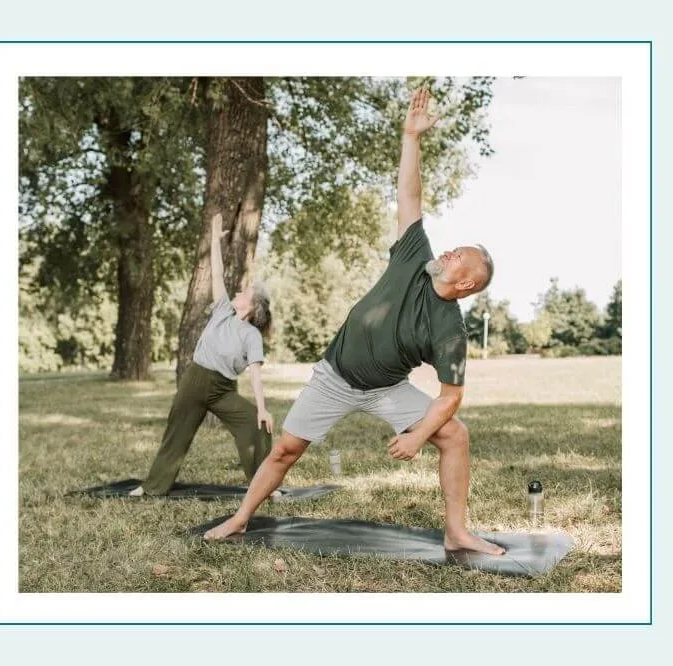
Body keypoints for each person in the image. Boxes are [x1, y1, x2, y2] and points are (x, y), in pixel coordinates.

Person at [203, 89, 504, 556]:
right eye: (453, 247)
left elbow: (451, 397)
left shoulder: (450, 329)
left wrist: (419, 434)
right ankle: (240, 519)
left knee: (455, 434)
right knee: (285, 450)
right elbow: (410, 193)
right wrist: (411, 138)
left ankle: (456, 531)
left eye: (458, 255)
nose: (448, 252)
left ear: (465, 284)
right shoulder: (414, 256)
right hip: (335, 376)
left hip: (385, 387)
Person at [130, 212, 274, 496]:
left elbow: (255, 376)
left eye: (244, 293)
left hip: (222, 389)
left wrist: (262, 408)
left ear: (251, 306)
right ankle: (152, 487)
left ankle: (264, 487)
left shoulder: (251, 335)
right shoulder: (222, 310)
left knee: (256, 425)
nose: (237, 292)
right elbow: (217, 273)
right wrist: (214, 239)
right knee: (177, 433)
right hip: (195, 380)